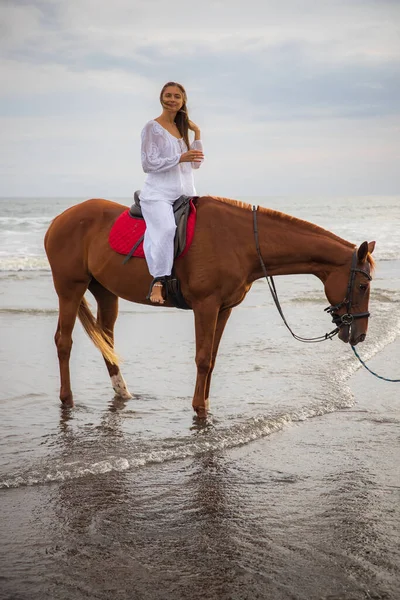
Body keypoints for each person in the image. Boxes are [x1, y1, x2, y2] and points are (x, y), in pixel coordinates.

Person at [139, 81, 204, 304]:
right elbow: (148, 163)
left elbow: (195, 165)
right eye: (168, 95)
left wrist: (197, 133)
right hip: (159, 194)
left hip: (186, 193)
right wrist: (179, 158)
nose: (172, 99)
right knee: (166, 229)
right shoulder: (152, 127)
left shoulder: (183, 130)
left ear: (183, 101)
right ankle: (158, 282)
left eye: (177, 96)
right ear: (161, 98)